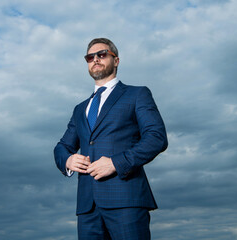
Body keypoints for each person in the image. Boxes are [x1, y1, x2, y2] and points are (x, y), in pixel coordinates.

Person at [54, 38, 168, 240]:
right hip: (88, 207)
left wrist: (116, 163)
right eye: (90, 57)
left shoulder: (137, 94)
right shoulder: (80, 109)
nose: (95, 59)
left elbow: (156, 137)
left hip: (126, 199)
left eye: (102, 54)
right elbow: (62, 146)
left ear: (116, 60)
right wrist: (68, 160)